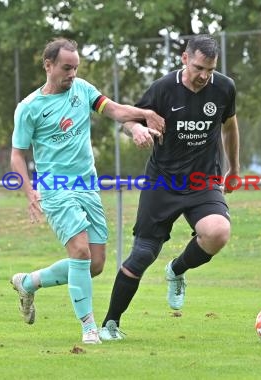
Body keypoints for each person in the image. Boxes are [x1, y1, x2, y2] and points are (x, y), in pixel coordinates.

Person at [10, 38, 164, 345]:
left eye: (76, 68)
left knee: (94, 264)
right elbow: (17, 155)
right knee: (79, 250)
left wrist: (143, 115)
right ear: (48, 65)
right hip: (55, 188)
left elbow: (116, 111)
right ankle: (89, 327)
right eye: (66, 68)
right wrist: (30, 194)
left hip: (87, 186)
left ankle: (28, 282)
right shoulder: (29, 108)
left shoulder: (83, 90)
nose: (72, 74)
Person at [99, 34, 239, 341]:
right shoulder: (163, 89)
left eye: (210, 69)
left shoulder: (224, 88)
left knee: (218, 231)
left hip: (204, 181)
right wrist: (137, 130)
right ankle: (110, 323)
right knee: (142, 256)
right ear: (185, 58)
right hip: (162, 181)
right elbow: (130, 120)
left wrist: (234, 168)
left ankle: (177, 269)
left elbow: (229, 126)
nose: (204, 76)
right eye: (199, 67)